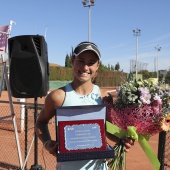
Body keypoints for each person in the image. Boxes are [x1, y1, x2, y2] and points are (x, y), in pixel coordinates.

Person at [35, 41, 134, 170]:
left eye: (91, 63)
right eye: (81, 61)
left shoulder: (104, 97)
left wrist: (123, 139)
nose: (85, 67)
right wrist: (47, 143)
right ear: (72, 60)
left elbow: (107, 130)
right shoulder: (58, 96)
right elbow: (40, 122)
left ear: (98, 65)